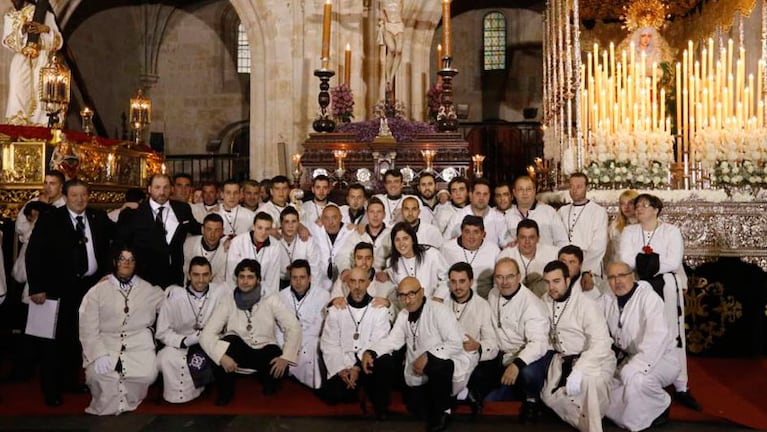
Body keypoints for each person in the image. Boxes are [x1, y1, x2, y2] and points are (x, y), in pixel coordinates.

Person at [26, 178, 114, 406]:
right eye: (74, 195)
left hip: (89, 289)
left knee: (79, 338)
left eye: (83, 195)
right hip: (56, 290)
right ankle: (51, 390)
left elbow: (109, 247)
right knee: (53, 342)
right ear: (65, 197)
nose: (79, 199)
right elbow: (34, 254)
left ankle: (71, 381)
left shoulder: (98, 218)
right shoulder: (51, 219)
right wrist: (37, 287)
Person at [618, 193, 699, 411]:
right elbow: (624, 257)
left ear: (656, 209)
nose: (640, 209)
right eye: (638, 206)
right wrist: (647, 263)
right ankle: (642, 377)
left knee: (673, 333)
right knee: (640, 331)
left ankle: (681, 385)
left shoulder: (670, 231)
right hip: (638, 285)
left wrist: (648, 264)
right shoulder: (629, 231)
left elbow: (673, 260)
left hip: (665, 285)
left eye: (645, 205)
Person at [362, 277, 474, 432]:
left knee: (439, 366)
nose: (407, 300)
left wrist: (429, 356)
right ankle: (450, 399)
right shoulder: (403, 315)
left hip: (445, 365)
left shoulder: (439, 310)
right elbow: (393, 341)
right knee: (416, 408)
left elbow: (455, 343)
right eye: (402, 295)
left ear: (422, 292)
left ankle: (445, 411)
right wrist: (371, 352)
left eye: (411, 294)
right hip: (418, 370)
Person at [200, 259, 301, 405]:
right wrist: (221, 357)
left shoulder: (270, 298)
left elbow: (293, 326)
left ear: (258, 279)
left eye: (250, 277)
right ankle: (226, 390)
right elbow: (206, 335)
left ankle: (265, 380)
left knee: (276, 377)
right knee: (227, 342)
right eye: (242, 277)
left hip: (264, 349)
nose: (245, 281)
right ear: (237, 279)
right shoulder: (229, 300)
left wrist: (286, 357)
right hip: (239, 350)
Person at [78, 248, 164, 415]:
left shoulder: (148, 289)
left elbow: (171, 305)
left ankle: (129, 400)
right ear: (114, 262)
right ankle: (108, 404)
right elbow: (87, 327)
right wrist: (98, 354)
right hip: (106, 343)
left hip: (138, 343)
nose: (126, 263)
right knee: (98, 375)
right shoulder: (97, 291)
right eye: (122, 259)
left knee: (146, 375)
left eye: (131, 259)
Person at [602, 262, 680, 431]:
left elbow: (656, 338)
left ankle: (661, 404)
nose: (618, 281)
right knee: (604, 383)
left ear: (632, 276)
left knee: (637, 381)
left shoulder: (649, 298)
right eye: (612, 277)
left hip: (661, 357)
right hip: (631, 357)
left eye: (622, 275)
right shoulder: (607, 299)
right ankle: (637, 413)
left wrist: (638, 366)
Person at [540, 261, 614, 432]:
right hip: (562, 360)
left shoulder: (586, 304)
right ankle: (586, 422)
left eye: (556, 281)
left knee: (589, 384)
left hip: (594, 358)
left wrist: (580, 369)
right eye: (547, 282)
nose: (551, 287)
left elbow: (601, 342)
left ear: (567, 280)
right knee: (548, 398)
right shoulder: (544, 300)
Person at [319, 266, 392, 417]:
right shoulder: (336, 310)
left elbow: (379, 341)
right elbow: (329, 342)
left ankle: (378, 403)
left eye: (361, 281)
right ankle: (355, 387)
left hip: (367, 364)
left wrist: (357, 368)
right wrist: (341, 369)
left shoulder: (379, 310)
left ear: (368, 283)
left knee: (383, 362)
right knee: (334, 396)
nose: (357, 287)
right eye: (353, 282)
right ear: (347, 284)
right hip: (343, 362)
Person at [485, 258, 552, 422]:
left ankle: (532, 399)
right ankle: (515, 389)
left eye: (510, 276)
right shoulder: (493, 294)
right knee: (489, 402)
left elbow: (538, 343)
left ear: (519, 276)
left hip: (532, 356)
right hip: (505, 355)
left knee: (528, 374)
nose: (504, 282)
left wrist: (516, 365)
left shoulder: (531, 304)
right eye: (499, 277)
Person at [156, 257, 228, 403]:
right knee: (165, 358)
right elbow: (162, 332)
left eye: (205, 275)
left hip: (209, 343)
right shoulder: (174, 297)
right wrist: (184, 341)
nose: (201, 280)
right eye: (196, 275)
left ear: (211, 275)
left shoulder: (220, 293)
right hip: (181, 342)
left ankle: (202, 386)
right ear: (188, 275)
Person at [115, 173, 201, 288]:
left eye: (165, 187)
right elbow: (119, 244)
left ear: (171, 189)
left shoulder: (182, 209)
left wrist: (226, 237)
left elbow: (198, 228)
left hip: (174, 279)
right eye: (157, 187)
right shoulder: (134, 213)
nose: (162, 192)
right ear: (149, 189)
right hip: (144, 281)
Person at [443, 262, 498, 413]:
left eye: (462, 281)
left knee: (485, 373)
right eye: (453, 282)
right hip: (446, 356)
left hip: (471, 356)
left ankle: (455, 396)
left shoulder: (483, 306)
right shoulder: (442, 304)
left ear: (471, 282)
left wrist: (478, 346)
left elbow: (492, 343)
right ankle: (464, 394)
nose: (457, 287)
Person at [3, 0, 63, 125]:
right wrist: (22, 31)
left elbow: (58, 42)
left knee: (41, 94)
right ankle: (18, 126)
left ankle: (41, 126)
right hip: (21, 61)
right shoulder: (10, 17)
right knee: (17, 90)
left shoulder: (45, 14)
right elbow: (7, 41)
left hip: (42, 59)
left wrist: (46, 29)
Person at [276, 260, 329, 389]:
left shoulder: (323, 295)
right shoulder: (281, 297)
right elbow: (277, 328)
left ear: (309, 278)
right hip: (286, 341)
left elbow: (319, 327)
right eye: (294, 278)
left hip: (311, 340)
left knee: (312, 348)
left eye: (302, 277)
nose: (298, 282)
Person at [556, 173, 608, 281]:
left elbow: (599, 245)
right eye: (571, 186)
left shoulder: (598, 211)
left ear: (587, 188)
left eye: (579, 187)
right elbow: (557, 238)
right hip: (565, 266)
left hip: (590, 267)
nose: (574, 190)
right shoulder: (562, 211)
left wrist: (585, 268)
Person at [226, 211, 289, 297]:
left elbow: (272, 279)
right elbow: (231, 276)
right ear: (253, 227)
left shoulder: (275, 245)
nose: (263, 233)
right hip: (239, 294)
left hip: (263, 294)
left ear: (271, 229)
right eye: (260, 228)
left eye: (267, 229)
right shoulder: (238, 242)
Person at [384, 222, 449, 301]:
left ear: (413, 240)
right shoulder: (391, 263)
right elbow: (396, 289)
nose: (401, 244)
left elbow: (447, 277)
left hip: (433, 303)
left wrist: (438, 296)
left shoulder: (432, 254)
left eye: (405, 238)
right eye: (397, 240)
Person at [440, 215, 500, 297]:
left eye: (476, 232)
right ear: (461, 232)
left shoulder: (494, 250)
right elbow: (442, 278)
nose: (471, 237)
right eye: (467, 232)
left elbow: (497, 282)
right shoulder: (447, 248)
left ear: (483, 234)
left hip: (484, 300)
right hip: (453, 298)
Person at [330, 244, 395, 319]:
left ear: (373, 260)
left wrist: (388, 304)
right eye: (359, 258)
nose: (364, 262)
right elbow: (330, 308)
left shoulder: (384, 280)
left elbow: (394, 315)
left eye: (368, 258)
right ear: (354, 259)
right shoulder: (343, 279)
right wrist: (334, 302)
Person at [498, 219, 559, 297]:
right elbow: (498, 286)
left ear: (538, 238)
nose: (527, 241)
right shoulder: (506, 255)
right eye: (523, 237)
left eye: (531, 237)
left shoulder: (553, 253)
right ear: (517, 238)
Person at [444, 178, 509, 248]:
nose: (481, 198)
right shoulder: (457, 217)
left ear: (489, 196)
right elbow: (445, 244)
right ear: (470, 195)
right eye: (478, 194)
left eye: (485, 194)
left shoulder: (499, 218)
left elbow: (507, 243)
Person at [505, 175, 568, 248]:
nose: (524, 193)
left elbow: (562, 241)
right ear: (514, 192)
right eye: (520, 189)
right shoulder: (508, 216)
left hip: (547, 258)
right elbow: (505, 243)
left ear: (534, 191)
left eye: (528, 189)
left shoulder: (548, 212)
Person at [336, 198, 392, 275]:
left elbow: (397, 260)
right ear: (367, 214)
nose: (375, 215)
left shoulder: (391, 235)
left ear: (384, 215)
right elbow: (343, 255)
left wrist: (387, 273)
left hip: (382, 279)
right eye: (372, 212)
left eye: (379, 212)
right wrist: (346, 270)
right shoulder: (356, 235)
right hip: (358, 277)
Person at [308, 204, 355, 291]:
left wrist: (360, 227)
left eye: (334, 217)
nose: (331, 222)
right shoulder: (315, 229)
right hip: (319, 282)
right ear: (321, 219)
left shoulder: (351, 231)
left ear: (341, 217)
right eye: (326, 218)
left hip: (344, 281)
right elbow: (296, 224)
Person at [278, 206, 322, 289]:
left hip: (301, 282)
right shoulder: (274, 239)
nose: (290, 226)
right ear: (281, 223)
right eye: (286, 222)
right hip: (278, 282)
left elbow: (315, 269)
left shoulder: (308, 240)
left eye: (294, 222)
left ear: (298, 223)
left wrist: (313, 292)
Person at [182, 213, 229, 284]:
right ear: (203, 229)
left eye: (217, 230)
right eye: (209, 229)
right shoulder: (188, 243)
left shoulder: (226, 251)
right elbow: (184, 271)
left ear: (222, 231)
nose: (212, 234)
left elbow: (219, 280)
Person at [606, 189, 638, 266]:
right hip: (618, 265)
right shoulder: (615, 225)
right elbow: (609, 250)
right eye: (622, 204)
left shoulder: (645, 224)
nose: (626, 207)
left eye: (630, 203)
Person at [378, 0, 404, 87]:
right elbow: (381, 13)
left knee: (399, 51)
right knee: (392, 49)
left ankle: (392, 76)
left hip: (399, 25)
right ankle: (388, 76)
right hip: (389, 25)